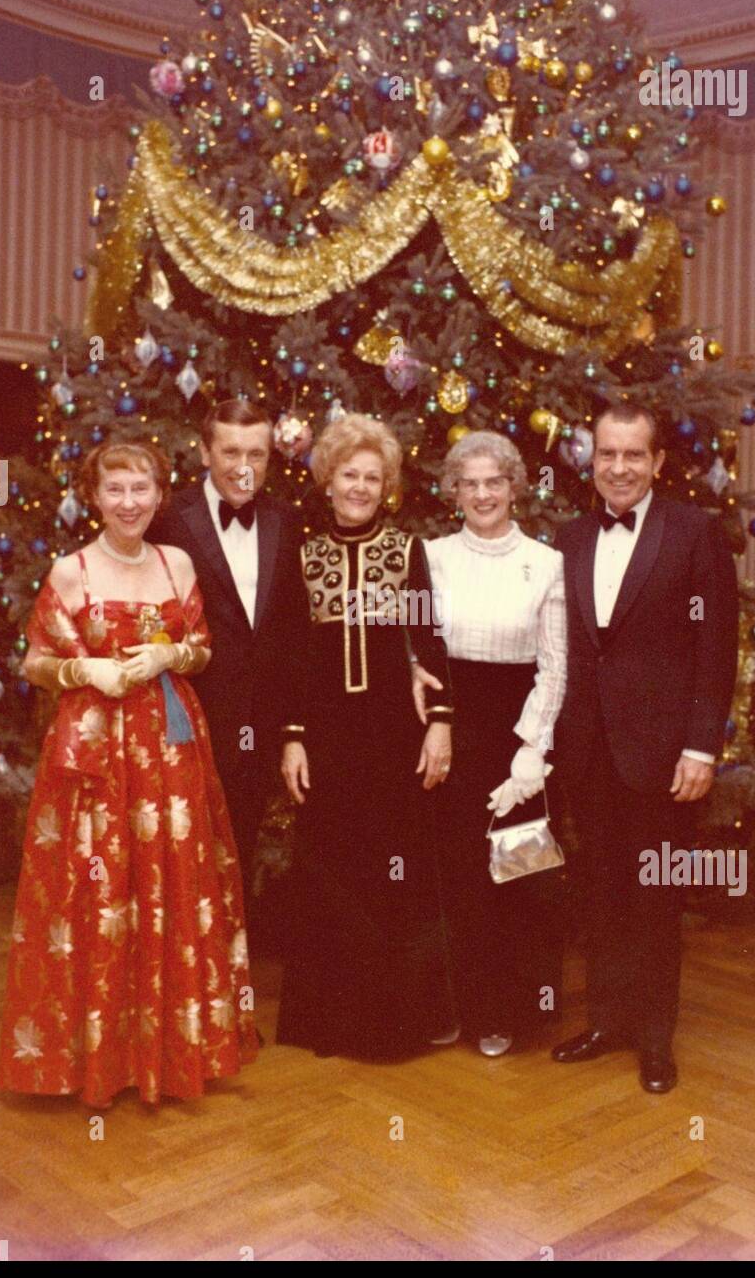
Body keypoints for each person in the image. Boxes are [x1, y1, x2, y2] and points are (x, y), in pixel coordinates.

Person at [0, 440, 257, 1107]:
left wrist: (166, 655)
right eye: (115, 489)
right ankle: (94, 1065)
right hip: (92, 757)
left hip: (169, 750)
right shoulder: (71, 570)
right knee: (98, 889)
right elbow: (33, 662)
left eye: (140, 489)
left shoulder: (176, 563)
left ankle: (165, 1059)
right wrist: (83, 670)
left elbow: (202, 649)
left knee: (168, 883)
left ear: (159, 495)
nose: (129, 502)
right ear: (94, 495)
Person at [551, 406, 739, 1093]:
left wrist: (699, 747)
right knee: (599, 892)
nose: (619, 468)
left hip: (662, 756)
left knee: (654, 896)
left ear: (658, 462)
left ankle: (655, 1039)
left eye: (633, 455)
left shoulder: (693, 533)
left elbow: (716, 649)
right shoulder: (568, 537)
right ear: (590, 459)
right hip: (585, 752)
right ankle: (606, 1020)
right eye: (607, 454)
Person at [277, 413, 458, 1061]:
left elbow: (430, 641)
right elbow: (293, 655)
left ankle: (391, 1027)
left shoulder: (406, 552)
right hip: (328, 738)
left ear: (388, 487)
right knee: (329, 877)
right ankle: (330, 1024)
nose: (359, 486)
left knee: (394, 878)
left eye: (372, 478)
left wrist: (439, 724)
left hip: (391, 735)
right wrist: (293, 737)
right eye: (348, 474)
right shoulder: (302, 556)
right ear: (327, 479)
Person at [421, 432, 568, 1057]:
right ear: (455, 491)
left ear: (514, 487)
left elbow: (556, 666)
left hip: (519, 738)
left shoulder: (547, 562)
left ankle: (512, 1010)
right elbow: (417, 652)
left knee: (519, 874)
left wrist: (531, 750)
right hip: (449, 730)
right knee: (454, 878)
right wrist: (434, 723)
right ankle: (458, 1007)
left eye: (495, 482)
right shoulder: (428, 557)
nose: (482, 494)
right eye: (470, 483)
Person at [148, 399, 300, 905]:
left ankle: (228, 969)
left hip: (260, 719)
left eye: (257, 454)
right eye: (231, 451)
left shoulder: (286, 519)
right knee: (176, 848)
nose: (243, 466)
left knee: (241, 843)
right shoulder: (167, 517)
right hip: (186, 715)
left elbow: (294, 624)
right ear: (206, 451)